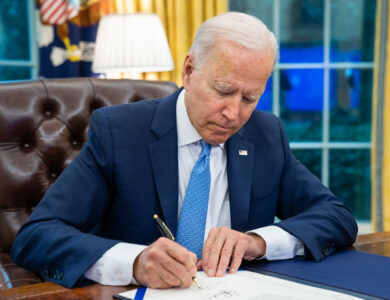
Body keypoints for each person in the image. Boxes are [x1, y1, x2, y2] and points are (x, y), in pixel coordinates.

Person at [11, 12, 357, 289]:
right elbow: (37, 236)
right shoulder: (119, 132)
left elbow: (335, 217)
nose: (234, 114)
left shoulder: (265, 134)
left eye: (250, 98)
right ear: (190, 70)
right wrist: (135, 262)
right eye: (223, 91)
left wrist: (258, 242)